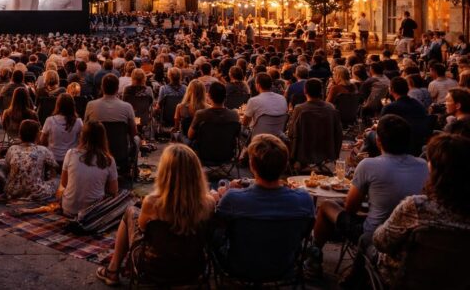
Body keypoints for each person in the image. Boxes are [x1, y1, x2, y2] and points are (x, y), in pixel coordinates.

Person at [311, 115, 429, 277]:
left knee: (326, 206)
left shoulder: (369, 165)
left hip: (373, 235)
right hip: (410, 237)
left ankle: (314, 257)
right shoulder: (423, 166)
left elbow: (350, 208)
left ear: (378, 141)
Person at [96, 144, 216, 286]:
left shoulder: (152, 203)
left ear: (165, 172)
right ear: (197, 173)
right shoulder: (209, 203)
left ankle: (113, 270)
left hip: (153, 269)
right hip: (192, 270)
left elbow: (142, 230)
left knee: (130, 211)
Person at [373, 133, 470, 286]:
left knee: (366, 243)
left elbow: (381, 242)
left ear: (435, 169)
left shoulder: (417, 206)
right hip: (456, 283)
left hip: (402, 279)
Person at [216, 133, 314, 217]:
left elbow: (219, 224)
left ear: (252, 165)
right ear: (285, 166)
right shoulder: (304, 200)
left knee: (222, 184)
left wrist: (222, 196)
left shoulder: (232, 198)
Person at [58, 121, 119, 217]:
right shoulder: (109, 160)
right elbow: (113, 191)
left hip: (68, 209)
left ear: (82, 136)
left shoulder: (70, 153)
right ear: (103, 138)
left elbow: (64, 183)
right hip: (92, 214)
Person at [287, 79, 343, 168]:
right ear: (321, 91)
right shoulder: (331, 108)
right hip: (327, 150)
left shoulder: (300, 109)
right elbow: (338, 132)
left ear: (305, 91)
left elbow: (291, 132)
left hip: (304, 151)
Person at [1, 120, 59, 201]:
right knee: (57, 181)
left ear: (20, 134)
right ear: (37, 135)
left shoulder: (12, 149)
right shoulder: (43, 150)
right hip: (36, 192)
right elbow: (55, 167)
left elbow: (6, 169)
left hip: (12, 191)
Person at [379, 76, 431, 155]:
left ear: (391, 90)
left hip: (398, 144)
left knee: (369, 135)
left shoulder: (389, 108)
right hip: (419, 142)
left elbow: (381, 129)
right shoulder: (418, 104)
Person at [39, 93, 83, 165]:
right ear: (72, 106)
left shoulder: (50, 120)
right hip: (71, 160)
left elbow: (42, 141)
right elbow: (82, 142)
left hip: (53, 159)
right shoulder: (78, 122)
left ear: (57, 105)